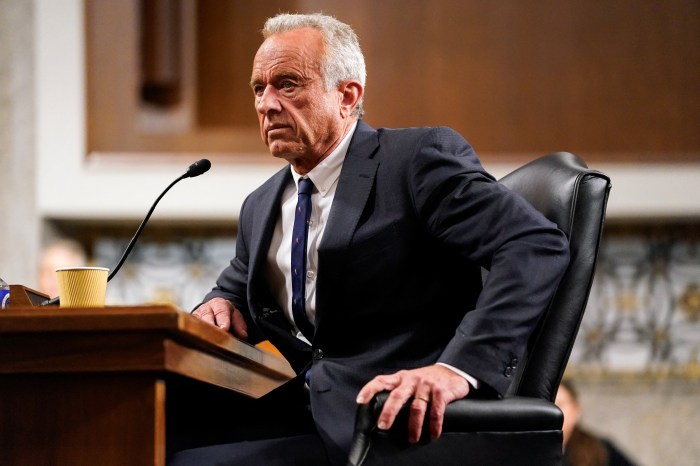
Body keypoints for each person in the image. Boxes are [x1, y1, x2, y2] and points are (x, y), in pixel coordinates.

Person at [170, 12, 570, 466]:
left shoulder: (415, 161)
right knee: (148, 428)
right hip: (301, 405)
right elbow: (237, 286)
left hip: (391, 423)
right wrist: (219, 304)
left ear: (347, 95)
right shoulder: (261, 205)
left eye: (287, 84)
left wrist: (455, 371)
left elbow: (534, 243)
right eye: (259, 88)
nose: (266, 104)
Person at [556, 380, 638, 466]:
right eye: (549, 405)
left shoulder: (599, 449)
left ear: (576, 410)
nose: (553, 412)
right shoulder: (541, 449)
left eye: (560, 404)